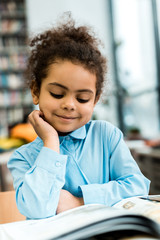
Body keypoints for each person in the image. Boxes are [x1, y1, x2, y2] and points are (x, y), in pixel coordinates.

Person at [7, 13, 150, 220]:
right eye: (57, 94)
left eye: (82, 98)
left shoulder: (106, 135)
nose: (69, 105)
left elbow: (138, 186)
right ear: (36, 90)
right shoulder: (22, 158)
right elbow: (36, 209)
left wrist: (79, 202)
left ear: (95, 99)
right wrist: (50, 143)